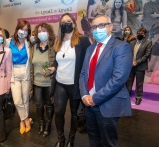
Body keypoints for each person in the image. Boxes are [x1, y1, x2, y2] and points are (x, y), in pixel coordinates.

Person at [79, 15, 133, 147]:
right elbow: (83, 74)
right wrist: (85, 95)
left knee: (109, 143)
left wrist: (95, 98)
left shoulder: (121, 47)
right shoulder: (90, 49)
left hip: (108, 103)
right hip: (89, 104)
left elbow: (118, 79)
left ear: (110, 27)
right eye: (94, 27)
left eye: (101, 25)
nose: (97, 29)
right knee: (94, 140)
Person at [50, 13, 91, 147]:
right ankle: (61, 140)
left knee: (74, 114)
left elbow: (87, 63)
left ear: (74, 24)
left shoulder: (82, 40)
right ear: (60, 25)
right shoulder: (58, 41)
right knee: (58, 112)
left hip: (75, 84)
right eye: (63, 22)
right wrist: (53, 68)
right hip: (60, 83)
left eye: (68, 21)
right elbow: (58, 61)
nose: (66, 24)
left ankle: (71, 140)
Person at [5, 20, 33, 135]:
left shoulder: (29, 42)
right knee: (17, 100)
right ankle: (26, 119)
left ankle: (22, 121)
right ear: (17, 29)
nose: (23, 32)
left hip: (25, 72)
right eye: (22, 29)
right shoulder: (8, 42)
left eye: (26, 30)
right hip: (14, 72)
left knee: (25, 99)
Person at [29, 22, 56, 137]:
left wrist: (54, 68)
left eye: (44, 31)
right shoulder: (33, 47)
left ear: (49, 32)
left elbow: (58, 63)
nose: (41, 33)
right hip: (37, 82)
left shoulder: (54, 46)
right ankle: (41, 123)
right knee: (39, 105)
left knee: (49, 105)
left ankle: (48, 126)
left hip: (49, 82)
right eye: (39, 31)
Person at [126, 27, 152, 105]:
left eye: (142, 33)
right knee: (129, 82)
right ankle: (127, 95)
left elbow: (147, 55)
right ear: (136, 33)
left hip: (140, 66)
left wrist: (136, 62)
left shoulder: (148, 42)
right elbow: (128, 53)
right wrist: (131, 61)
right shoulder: (132, 42)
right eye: (138, 33)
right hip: (131, 65)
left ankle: (138, 97)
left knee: (139, 83)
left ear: (145, 35)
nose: (139, 34)